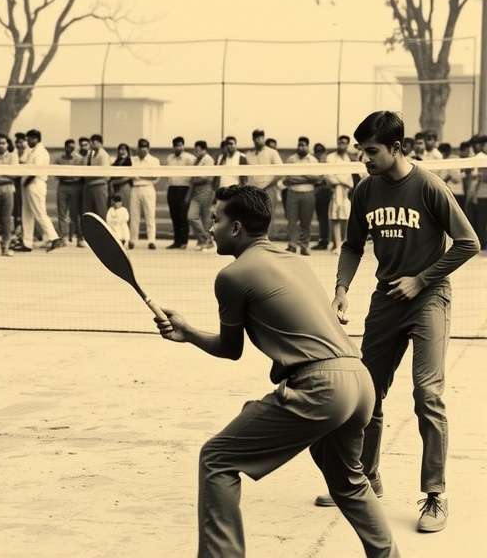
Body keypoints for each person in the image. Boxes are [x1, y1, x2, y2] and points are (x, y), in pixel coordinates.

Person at [154, 184, 399, 558]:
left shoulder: (232, 276)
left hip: (320, 387)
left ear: (236, 228)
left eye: (216, 220)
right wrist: (188, 331)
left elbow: (230, 349)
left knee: (216, 459)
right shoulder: (294, 261)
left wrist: (188, 334)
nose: (210, 228)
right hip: (359, 379)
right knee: (350, 484)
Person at [313, 111, 479, 533]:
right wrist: (341, 289)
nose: (364, 159)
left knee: (427, 393)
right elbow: (352, 246)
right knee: (368, 393)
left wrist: (422, 279)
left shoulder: (428, 186)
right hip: (387, 299)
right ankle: (365, 477)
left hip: (428, 299)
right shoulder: (365, 191)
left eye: (371, 151)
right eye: (361, 151)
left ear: (396, 148)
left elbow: (468, 242)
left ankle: (435, 495)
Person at [17, 129, 65, 253]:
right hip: (28, 185)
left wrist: (26, 183)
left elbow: (36, 170)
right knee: (26, 214)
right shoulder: (31, 150)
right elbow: (22, 161)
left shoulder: (41, 152)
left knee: (39, 212)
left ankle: (54, 237)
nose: (27, 141)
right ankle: (27, 243)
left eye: (29, 139)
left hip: (35, 184)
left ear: (36, 139)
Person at [242, 129, 282, 238]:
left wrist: (266, 186)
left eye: (261, 138)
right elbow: (245, 174)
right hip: (253, 191)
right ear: (253, 139)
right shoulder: (248, 155)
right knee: (253, 216)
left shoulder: (272, 152)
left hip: (268, 189)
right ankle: (255, 241)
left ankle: (266, 241)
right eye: (256, 138)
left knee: (268, 216)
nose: (259, 140)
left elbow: (280, 172)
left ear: (264, 138)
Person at [283, 136, 319, 255]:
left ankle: (304, 246)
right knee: (292, 220)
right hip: (293, 193)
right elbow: (288, 179)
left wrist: (299, 175)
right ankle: (292, 245)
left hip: (308, 193)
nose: (301, 147)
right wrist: (306, 176)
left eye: (303, 145)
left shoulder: (313, 161)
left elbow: (316, 178)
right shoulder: (291, 159)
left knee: (306, 221)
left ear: (308, 146)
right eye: (299, 145)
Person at [165, 136, 196, 249]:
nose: (178, 147)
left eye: (180, 145)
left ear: (183, 145)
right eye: (176, 145)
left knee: (183, 216)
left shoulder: (190, 158)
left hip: (184, 189)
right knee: (174, 216)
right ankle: (176, 241)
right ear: (173, 147)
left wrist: (189, 193)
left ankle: (184, 242)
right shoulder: (169, 158)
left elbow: (193, 177)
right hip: (172, 188)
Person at [128, 138, 159, 250]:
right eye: (140, 147)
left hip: (148, 188)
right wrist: (140, 175)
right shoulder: (132, 160)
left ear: (148, 148)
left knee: (150, 215)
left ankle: (151, 240)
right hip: (135, 188)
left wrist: (140, 175)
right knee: (134, 216)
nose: (142, 149)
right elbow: (129, 174)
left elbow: (154, 176)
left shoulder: (154, 160)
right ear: (137, 148)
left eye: (145, 147)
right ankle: (132, 240)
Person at [54, 138, 85, 246]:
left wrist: (71, 176)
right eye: (69, 147)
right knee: (62, 213)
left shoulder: (79, 159)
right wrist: (67, 176)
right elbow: (56, 173)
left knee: (75, 213)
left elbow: (80, 174)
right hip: (63, 186)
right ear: (65, 147)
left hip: (75, 186)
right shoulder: (59, 159)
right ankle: (64, 237)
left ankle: (80, 238)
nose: (71, 150)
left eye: (73, 147)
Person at [324, 148, 354, 256]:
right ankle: (337, 244)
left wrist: (344, 182)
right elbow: (329, 176)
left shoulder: (348, 158)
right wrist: (341, 181)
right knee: (335, 218)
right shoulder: (330, 157)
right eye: (341, 142)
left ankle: (345, 244)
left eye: (345, 143)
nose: (343, 145)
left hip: (345, 194)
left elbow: (349, 180)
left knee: (347, 218)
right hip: (335, 192)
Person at [188, 140, 216, 251]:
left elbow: (207, 177)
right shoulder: (196, 160)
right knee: (191, 216)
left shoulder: (208, 159)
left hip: (206, 191)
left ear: (204, 150)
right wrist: (194, 180)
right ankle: (205, 239)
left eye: (198, 150)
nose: (196, 152)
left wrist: (194, 180)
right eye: (195, 150)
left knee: (205, 219)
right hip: (196, 192)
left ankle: (206, 242)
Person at [466, 134, 487, 250]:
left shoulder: (480, 157)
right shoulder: (478, 156)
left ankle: (481, 244)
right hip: (478, 194)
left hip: (480, 195)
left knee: (479, 222)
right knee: (479, 222)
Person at [83, 133, 112, 219]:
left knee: (101, 211)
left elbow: (105, 175)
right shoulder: (91, 155)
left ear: (100, 143)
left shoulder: (103, 155)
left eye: (94, 142)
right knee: (91, 212)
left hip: (100, 187)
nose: (91, 144)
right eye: (91, 142)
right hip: (91, 186)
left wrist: (91, 180)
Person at [312, 142, 332, 251]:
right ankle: (324, 239)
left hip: (325, 190)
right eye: (317, 152)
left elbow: (323, 179)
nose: (319, 154)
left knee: (324, 217)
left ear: (324, 152)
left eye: (321, 151)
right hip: (319, 190)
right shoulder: (316, 162)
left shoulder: (326, 161)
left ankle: (324, 240)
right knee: (322, 217)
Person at [438, 142, 465, 211]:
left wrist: (447, 178)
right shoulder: (442, 161)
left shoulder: (454, 160)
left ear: (448, 151)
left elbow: (456, 179)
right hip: (447, 194)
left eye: (443, 152)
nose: (442, 154)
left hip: (456, 193)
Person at [110, 143, 133, 210]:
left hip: (125, 186)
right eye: (120, 149)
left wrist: (116, 182)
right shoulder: (116, 161)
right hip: (116, 187)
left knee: (125, 207)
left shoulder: (130, 161)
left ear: (127, 151)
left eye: (123, 149)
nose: (121, 151)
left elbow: (129, 176)